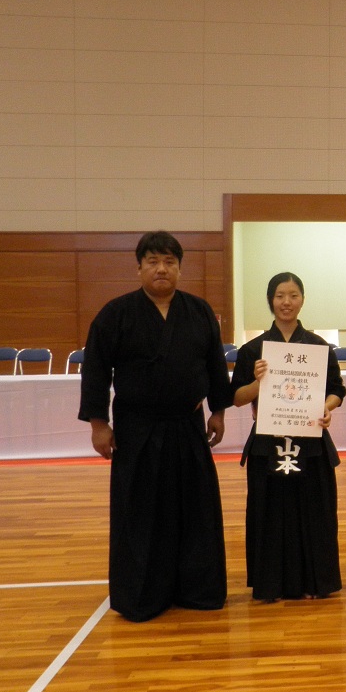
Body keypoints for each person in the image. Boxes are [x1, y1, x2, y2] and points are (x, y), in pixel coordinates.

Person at [78, 231, 231, 622]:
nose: (161, 269)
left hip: (188, 426)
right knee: (140, 511)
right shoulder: (116, 314)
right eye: (153, 262)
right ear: (139, 268)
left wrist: (218, 411)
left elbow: (215, 366)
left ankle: (197, 589)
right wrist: (99, 424)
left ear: (179, 268)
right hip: (137, 430)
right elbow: (95, 371)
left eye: (169, 262)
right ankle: (143, 595)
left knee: (194, 509)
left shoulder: (199, 311)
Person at [231, 272, 346, 602]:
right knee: (269, 514)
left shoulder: (318, 347)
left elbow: (337, 390)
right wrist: (258, 382)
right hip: (268, 444)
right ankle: (271, 584)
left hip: (310, 442)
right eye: (280, 295)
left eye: (293, 295)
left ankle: (314, 582)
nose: (286, 302)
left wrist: (326, 407)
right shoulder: (253, 349)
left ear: (302, 300)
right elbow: (236, 397)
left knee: (314, 512)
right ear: (271, 300)